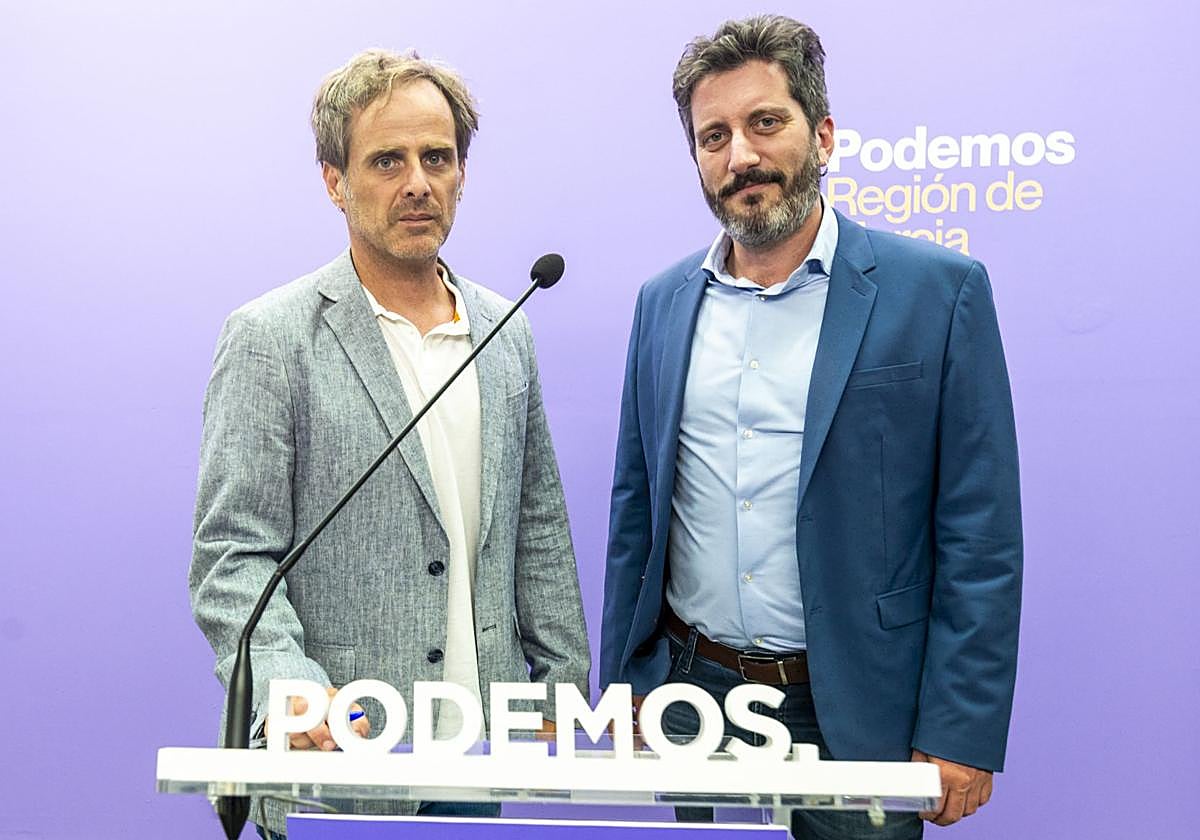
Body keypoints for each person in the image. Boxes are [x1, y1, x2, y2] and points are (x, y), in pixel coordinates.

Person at [600, 15, 1021, 839]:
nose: (741, 156)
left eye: (765, 123)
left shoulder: (939, 292)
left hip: (861, 705)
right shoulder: (663, 303)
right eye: (714, 136)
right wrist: (625, 681)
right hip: (692, 698)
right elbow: (635, 506)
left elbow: (982, 533)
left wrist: (961, 727)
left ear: (822, 134)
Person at [189, 49, 589, 838]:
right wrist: (290, 686)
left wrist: (562, 682)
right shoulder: (271, 338)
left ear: (462, 173)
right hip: (335, 754)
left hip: (478, 752)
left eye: (436, 158)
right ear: (334, 182)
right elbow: (232, 558)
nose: (417, 183)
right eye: (386, 161)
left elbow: (536, 523)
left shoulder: (505, 327)